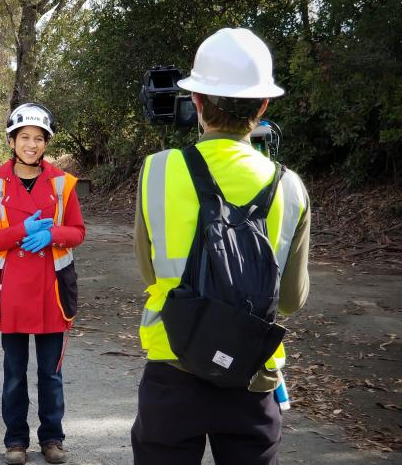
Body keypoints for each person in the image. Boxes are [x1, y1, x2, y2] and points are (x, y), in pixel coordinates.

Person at [131, 28, 311, 464]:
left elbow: (151, 273)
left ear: (196, 101)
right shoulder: (290, 187)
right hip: (252, 373)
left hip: (173, 363)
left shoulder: (157, 171)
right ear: (263, 105)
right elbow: (289, 302)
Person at [0, 103, 85, 465]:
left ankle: (52, 439)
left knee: (51, 375)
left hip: (51, 293)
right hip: (12, 294)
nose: (32, 144)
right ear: (11, 140)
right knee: (14, 374)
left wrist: (53, 233)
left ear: (46, 143)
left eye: (39, 138)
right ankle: (15, 442)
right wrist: (21, 230)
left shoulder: (62, 183)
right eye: (24, 137)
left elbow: (78, 232)